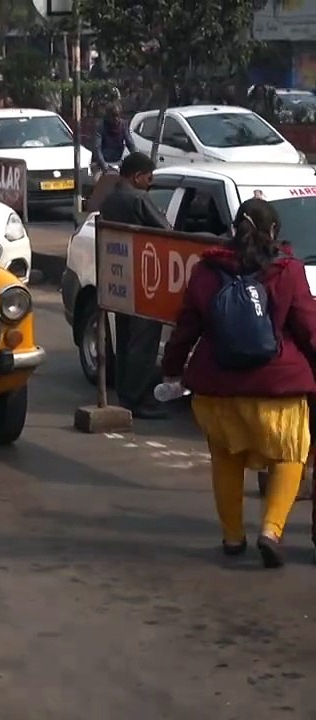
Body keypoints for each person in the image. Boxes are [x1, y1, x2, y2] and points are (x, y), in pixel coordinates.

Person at [160, 198, 316, 568]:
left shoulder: (207, 270)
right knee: (290, 456)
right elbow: (308, 328)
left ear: (234, 228)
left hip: (218, 387)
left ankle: (233, 537)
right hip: (277, 387)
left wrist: (172, 369)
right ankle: (271, 531)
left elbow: (186, 328)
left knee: (226, 458)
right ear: (273, 231)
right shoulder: (287, 270)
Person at [99, 152, 170, 419]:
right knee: (144, 341)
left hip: (120, 277)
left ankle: (126, 394)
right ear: (137, 176)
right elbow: (166, 230)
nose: (150, 184)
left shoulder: (110, 199)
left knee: (126, 338)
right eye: (149, 178)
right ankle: (137, 399)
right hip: (144, 278)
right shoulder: (138, 198)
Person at [92, 105, 136, 172]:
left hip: (117, 162)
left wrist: (136, 157)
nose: (116, 119)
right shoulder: (101, 126)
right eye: (113, 116)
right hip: (101, 163)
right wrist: (104, 165)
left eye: (117, 115)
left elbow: (130, 143)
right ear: (108, 116)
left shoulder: (123, 125)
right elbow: (97, 148)